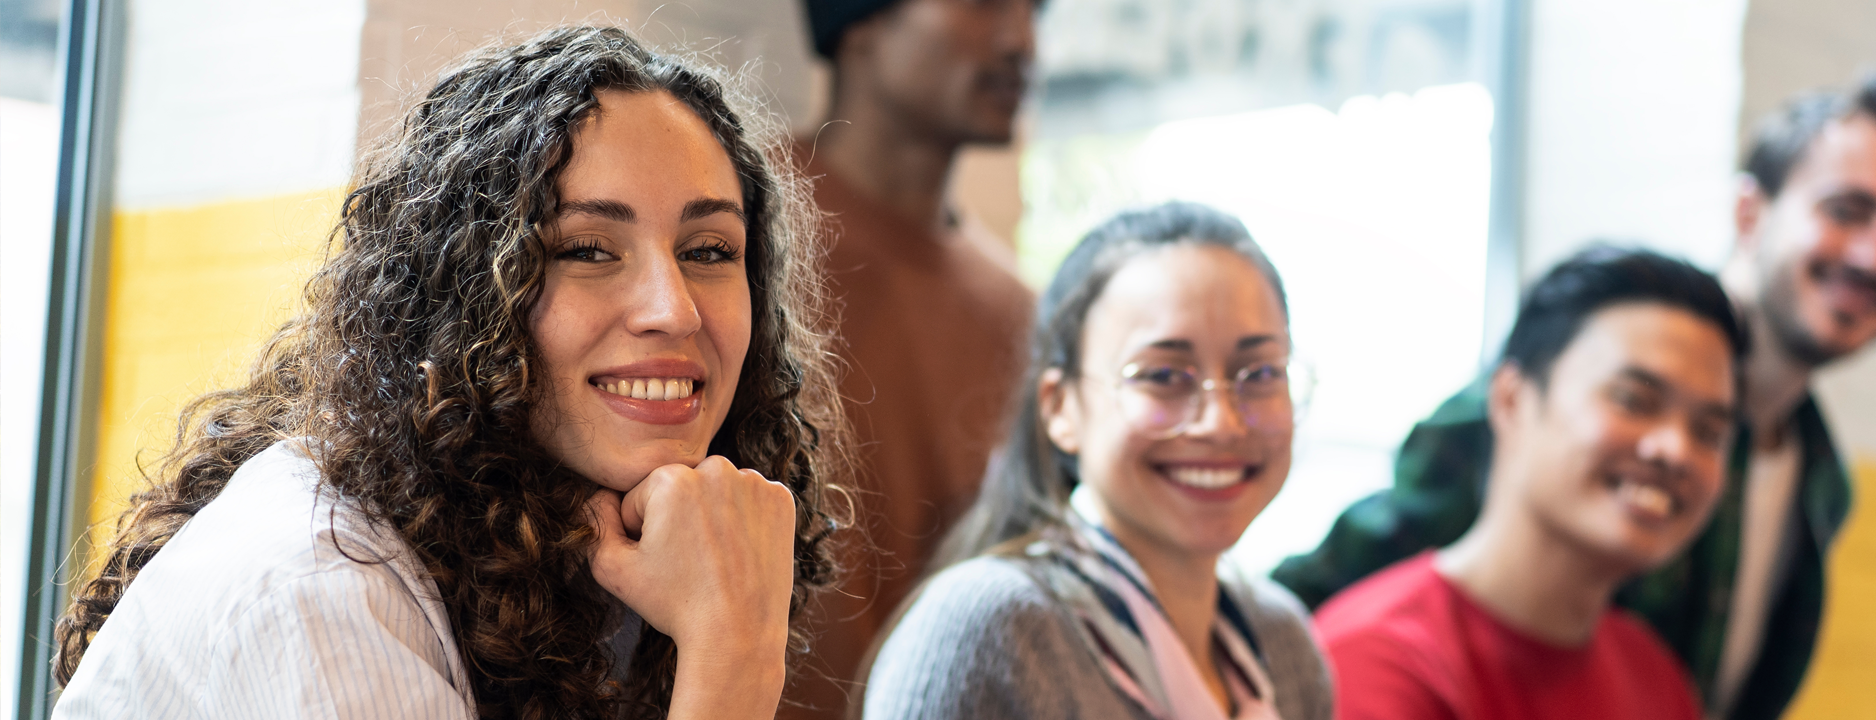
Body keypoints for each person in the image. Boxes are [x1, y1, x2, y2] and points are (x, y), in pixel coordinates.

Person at [51, 26, 846, 719]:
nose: (673, 310)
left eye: (708, 252)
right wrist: (733, 664)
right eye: (586, 250)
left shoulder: (586, 552)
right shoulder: (324, 590)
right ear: (465, 295)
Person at [1274, 76, 1876, 720]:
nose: (1875, 258)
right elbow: (1320, 603)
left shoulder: (1821, 484)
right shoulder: (1567, 371)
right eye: (1847, 211)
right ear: (1750, 211)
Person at [862, 202, 1334, 720]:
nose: (1220, 421)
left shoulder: (1282, 640)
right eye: (1164, 376)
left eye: (1260, 373)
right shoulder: (987, 627)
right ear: (1060, 407)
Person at [1317, 247, 1745, 720]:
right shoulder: (1383, 659)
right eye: (1634, 400)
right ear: (1511, 400)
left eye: (1709, 432)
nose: (1675, 449)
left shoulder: (1655, 676)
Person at [786, 0, 1038, 715]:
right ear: (860, 23)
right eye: (986, 5)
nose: (1021, 40)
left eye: (1034, 12)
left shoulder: (1018, 314)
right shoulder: (724, 233)